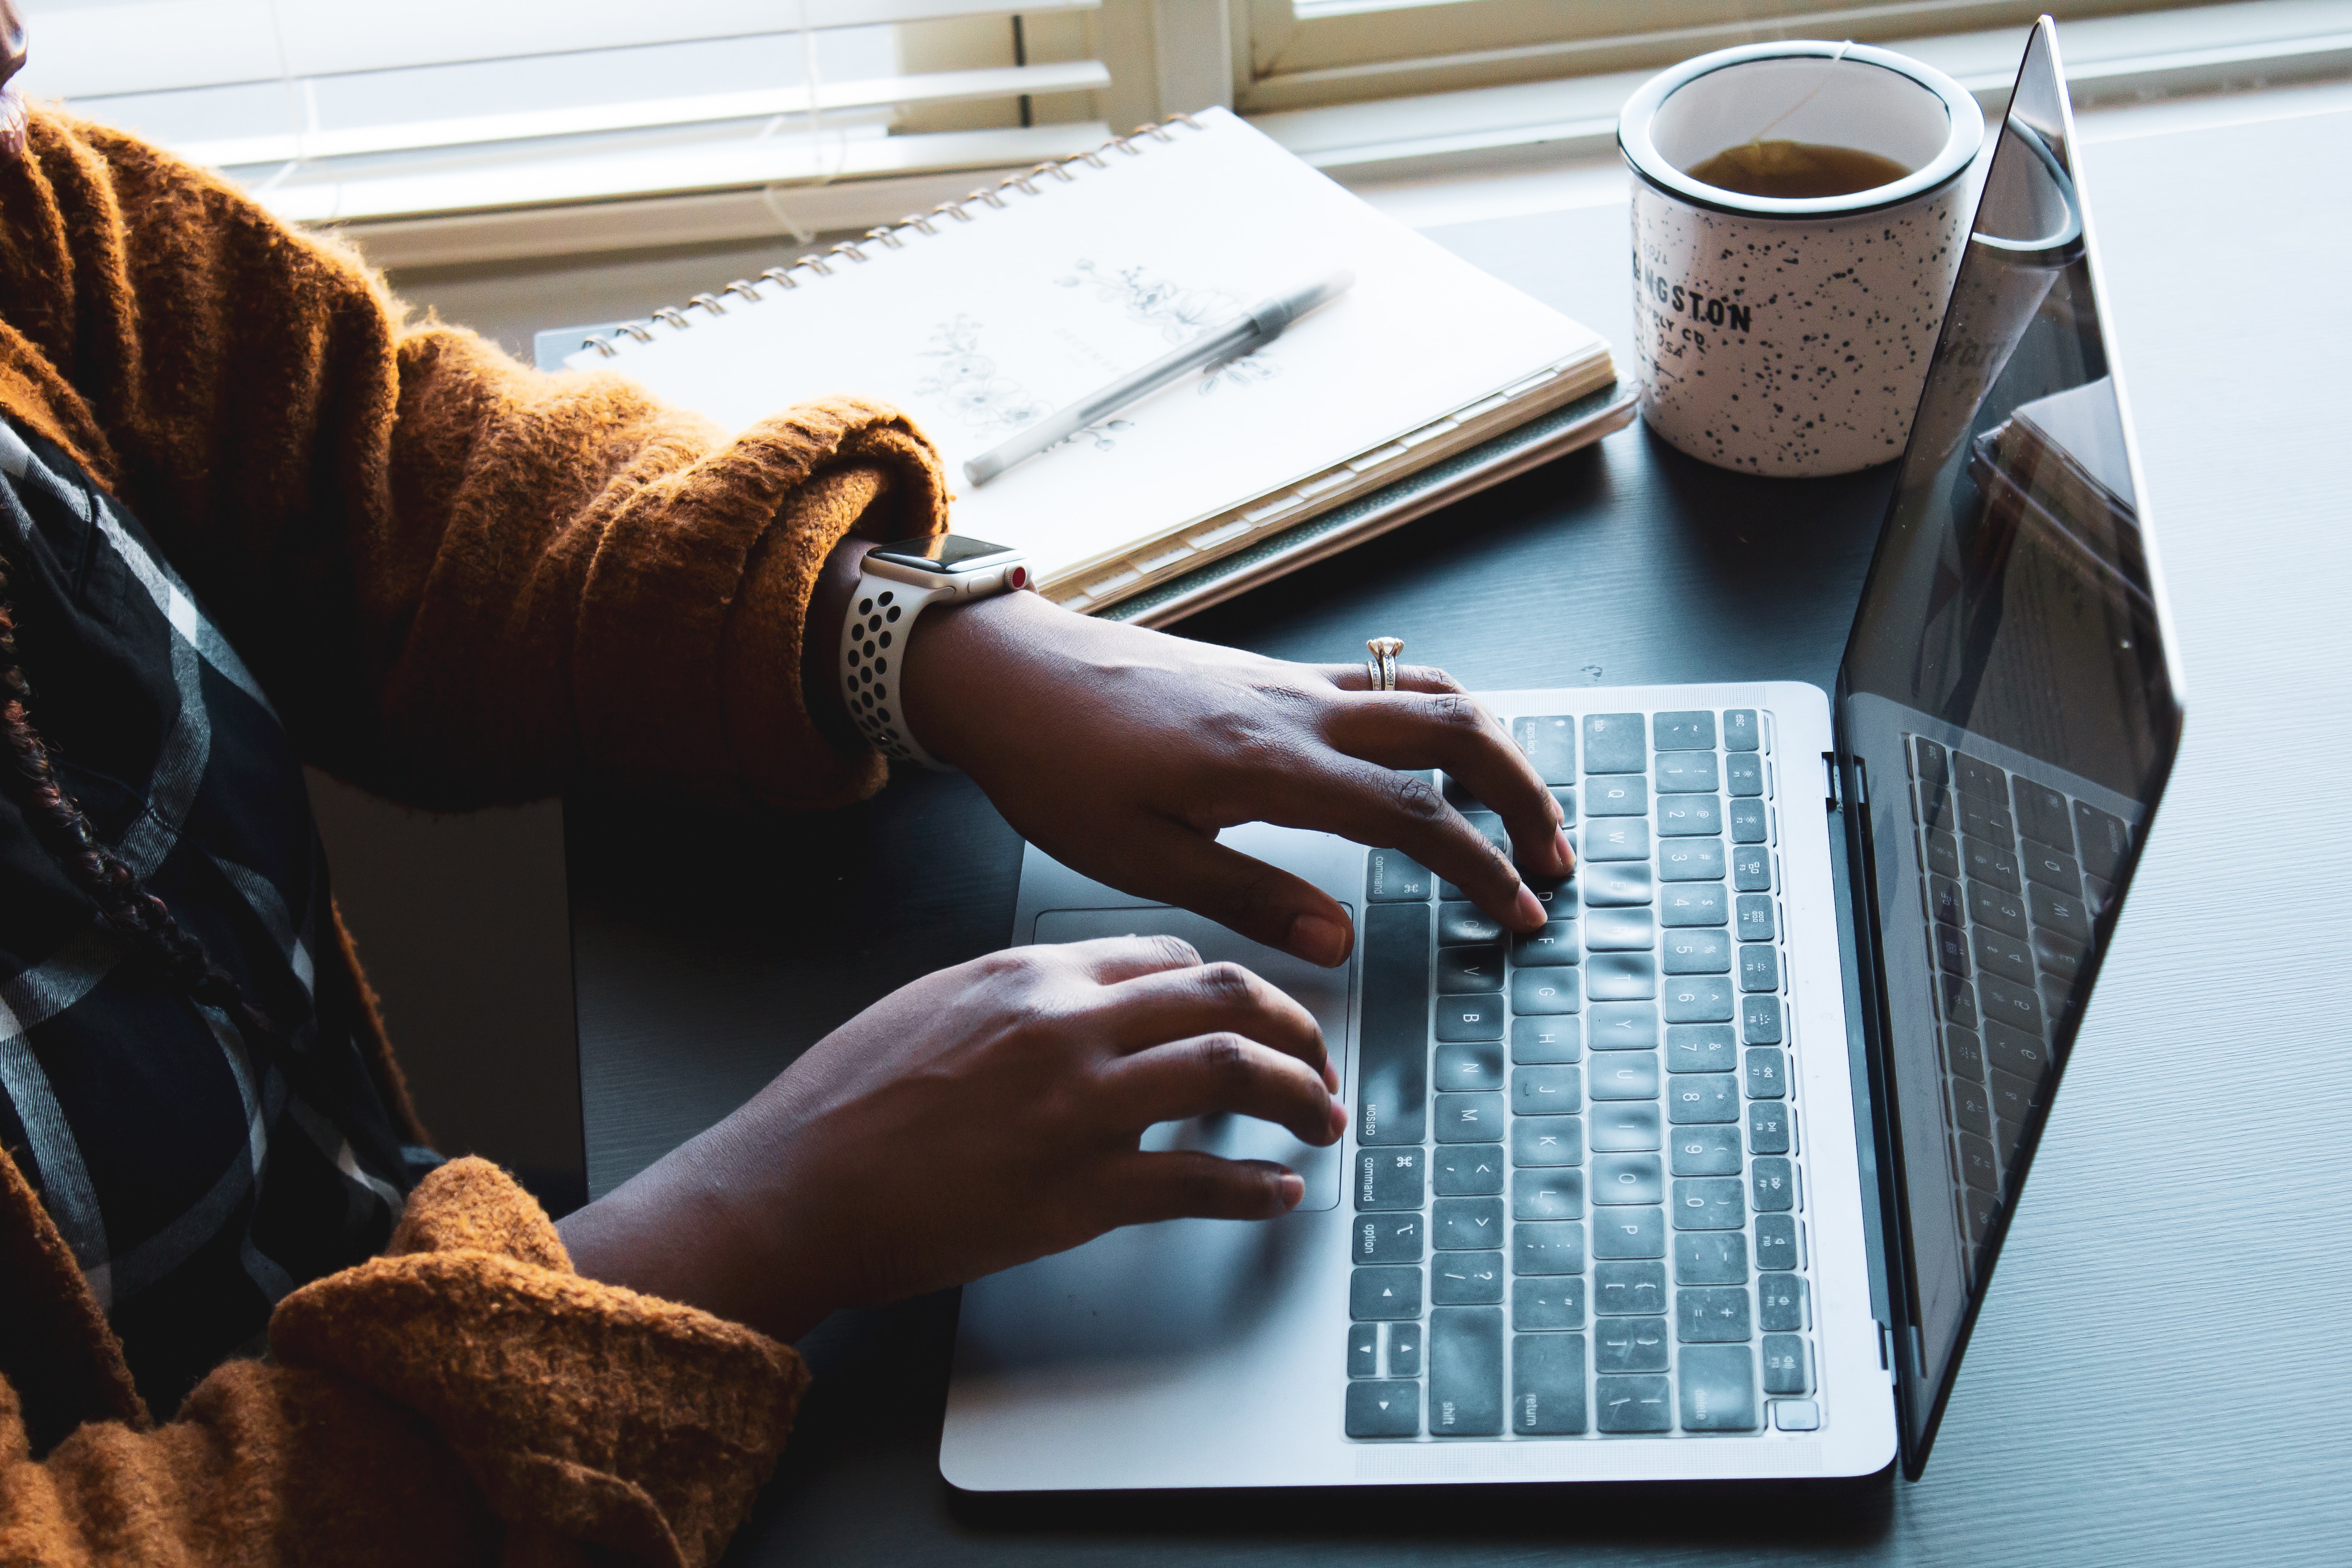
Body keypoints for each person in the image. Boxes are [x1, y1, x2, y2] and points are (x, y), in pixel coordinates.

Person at [0, 18, 1570, 1566]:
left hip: (398, 1270)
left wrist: (942, 641)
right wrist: (765, 1216)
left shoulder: (23, 224)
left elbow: (395, 467)